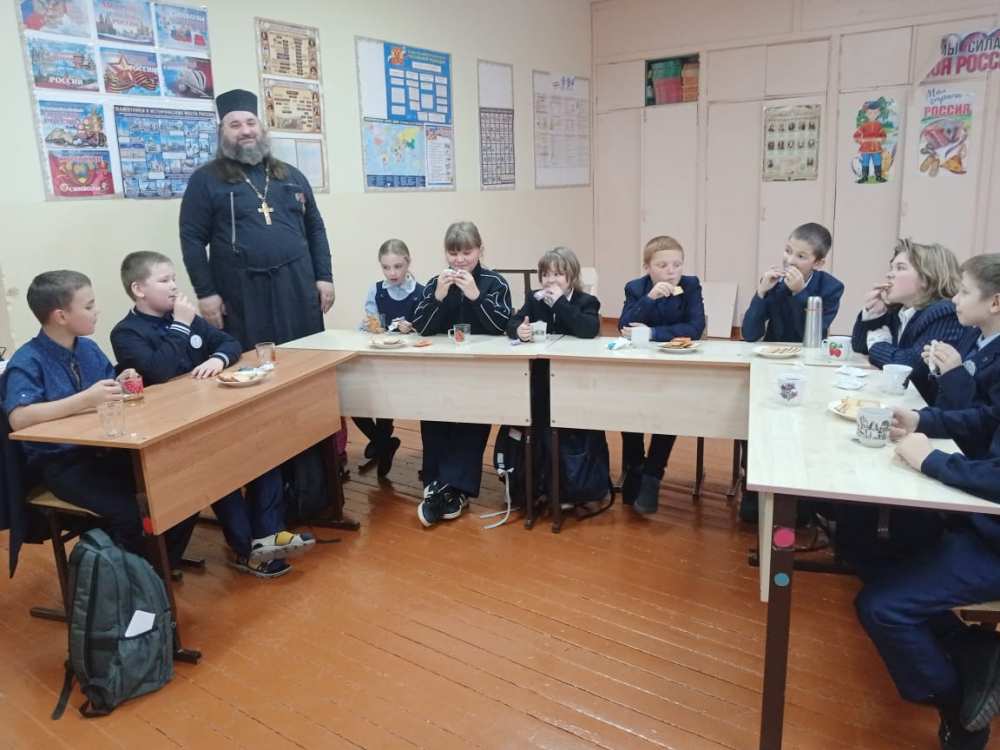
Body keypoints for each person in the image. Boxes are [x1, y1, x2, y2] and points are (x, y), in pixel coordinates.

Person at [110, 251, 315, 578]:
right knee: (220, 469)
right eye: (164, 280)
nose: (174, 286)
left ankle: (269, 535)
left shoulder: (186, 318)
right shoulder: (127, 332)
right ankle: (247, 550)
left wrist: (217, 358)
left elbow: (229, 342)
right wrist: (181, 325)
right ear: (139, 289)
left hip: (213, 413)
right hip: (172, 430)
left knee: (265, 448)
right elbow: (158, 371)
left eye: (174, 278)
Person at [1, 270, 195, 566]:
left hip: (107, 451)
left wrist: (120, 383)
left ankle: (158, 565)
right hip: (64, 465)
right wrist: (85, 399)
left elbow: (104, 392)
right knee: (130, 512)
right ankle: (134, 577)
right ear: (61, 316)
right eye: (89, 306)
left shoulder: (87, 348)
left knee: (181, 485)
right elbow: (19, 417)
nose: (97, 311)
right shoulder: (28, 360)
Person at [853, 403, 1000, 750]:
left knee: (882, 607)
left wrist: (934, 461)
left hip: (991, 542)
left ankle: (959, 711)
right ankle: (974, 649)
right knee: (868, 545)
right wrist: (923, 420)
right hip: (981, 520)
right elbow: (989, 417)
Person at [179, 88, 334, 350]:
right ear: (222, 132)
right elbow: (191, 239)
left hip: (297, 285)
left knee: (307, 355)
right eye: (235, 125)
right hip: (241, 292)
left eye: (251, 123)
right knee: (254, 362)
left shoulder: (291, 176)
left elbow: (315, 228)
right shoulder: (205, 180)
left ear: (261, 128)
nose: (245, 131)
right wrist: (206, 293)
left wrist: (324, 277)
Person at [411, 221, 512, 527]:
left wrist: (475, 296)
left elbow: (502, 327)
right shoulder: (435, 282)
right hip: (441, 368)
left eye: (467, 252)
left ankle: (447, 488)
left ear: (480, 251)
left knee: (473, 416)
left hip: (481, 370)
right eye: (453, 253)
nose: (460, 260)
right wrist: (438, 297)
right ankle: (444, 487)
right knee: (433, 411)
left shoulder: (495, 282)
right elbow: (421, 327)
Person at [618, 236, 705, 513]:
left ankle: (653, 475)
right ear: (647, 267)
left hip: (676, 364)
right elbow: (624, 326)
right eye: (663, 265)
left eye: (677, 265)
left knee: (670, 411)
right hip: (639, 366)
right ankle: (635, 466)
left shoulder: (690, 285)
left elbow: (695, 327)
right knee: (628, 407)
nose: (671, 271)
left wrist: (652, 333)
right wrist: (649, 299)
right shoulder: (636, 288)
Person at [852, 239, 965, 404]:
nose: (889, 274)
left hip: (924, 409)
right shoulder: (898, 308)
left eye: (900, 268)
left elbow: (910, 366)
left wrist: (877, 344)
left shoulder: (944, 312)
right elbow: (860, 346)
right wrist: (871, 313)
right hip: (898, 400)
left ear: (926, 278)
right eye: (891, 268)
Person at [354, 239, 424, 477]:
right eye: (386, 267)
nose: (392, 273)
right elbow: (372, 324)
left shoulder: (421, 292)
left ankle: (382, 444)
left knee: (386, 401)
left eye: (397, 266)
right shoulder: (376, 291)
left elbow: (428, 329)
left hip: (410, 364)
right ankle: (384, 443)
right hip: (381, 358)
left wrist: (413, 328)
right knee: (355, 401)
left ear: (408, 263)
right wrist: (371, 326)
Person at [922, 254, 1000, 428]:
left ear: (995, 303)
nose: (954, 299)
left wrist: (953, 375)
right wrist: (940, 370)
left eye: (964, 292)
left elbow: (988, 425)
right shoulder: (973, 334)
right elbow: (945, 406)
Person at [742, 222, 843, 343]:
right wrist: (761, 292)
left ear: (818, 263)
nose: (790, 261)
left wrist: (800, 293)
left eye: (801, 256)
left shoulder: (831, 288)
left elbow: (813, 336)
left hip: (809, 352)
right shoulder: (775, 282)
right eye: (788, 251)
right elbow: (750, 335)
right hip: (773, 351)